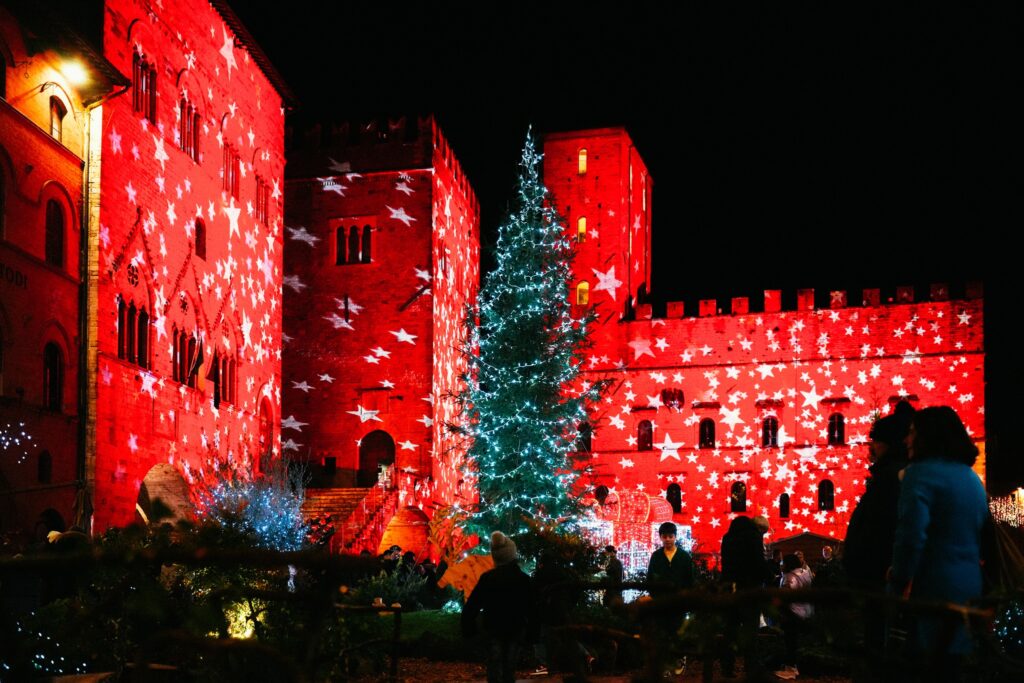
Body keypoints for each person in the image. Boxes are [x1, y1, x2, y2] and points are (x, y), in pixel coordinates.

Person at [889, 406, 989, 681]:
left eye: (912, 433)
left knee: (921, 667)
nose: (906, 440)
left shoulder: (919, 474)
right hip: (969, 586)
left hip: (933, 587)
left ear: (927, 436)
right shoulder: (971, 477)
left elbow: (911, 535)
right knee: (950, 668)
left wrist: (898, 580)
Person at [843, 402, 913, 679]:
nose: (871, 448)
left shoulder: (893, 477)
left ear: (888, 444)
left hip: (879, 580)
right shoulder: (892, 475)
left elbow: (888, 528)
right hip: (877, 578)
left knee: (881, 654)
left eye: (876, 442)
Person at [462, 531, 534, 683]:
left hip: (493, 627)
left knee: (494, 666)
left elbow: (473, 605)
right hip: (515, 627)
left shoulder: (488, 578)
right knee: (509, 667)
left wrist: (468, 627)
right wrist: (533, 632)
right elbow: (532, 607)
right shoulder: (523, 579)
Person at [720, 516, 774, 680]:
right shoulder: (753, 537)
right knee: (751, 629)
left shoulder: (728, 537)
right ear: (759, 528)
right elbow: (757, 562)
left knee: (730, 628)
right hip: (749, 590)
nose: (762, 536)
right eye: (763, 532)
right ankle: (751, 668)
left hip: (730, 588)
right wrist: (769, 576)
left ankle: (727, 667)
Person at [645, 521, 694, 678]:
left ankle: (679, 659)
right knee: (662, 633)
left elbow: (690, 580)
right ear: (660, 537)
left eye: (670, 536)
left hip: (678, 602)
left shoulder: (684, 557)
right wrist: (655, 597)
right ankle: (665, 665)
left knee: (677, 631)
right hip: (661, 603)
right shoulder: (656, 556)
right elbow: (650, 579)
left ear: (675, 537)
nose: (667, 539)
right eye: (664, 536)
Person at [775, 553, 814, 680]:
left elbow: (785, 596)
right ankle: (793, 666)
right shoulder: (805, 573)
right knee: (795, 641)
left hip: (792, 612)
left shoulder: (790, 577)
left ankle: (791, 668)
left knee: (790, 641)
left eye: (782, 563)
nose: (781, 565)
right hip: (805, 611)